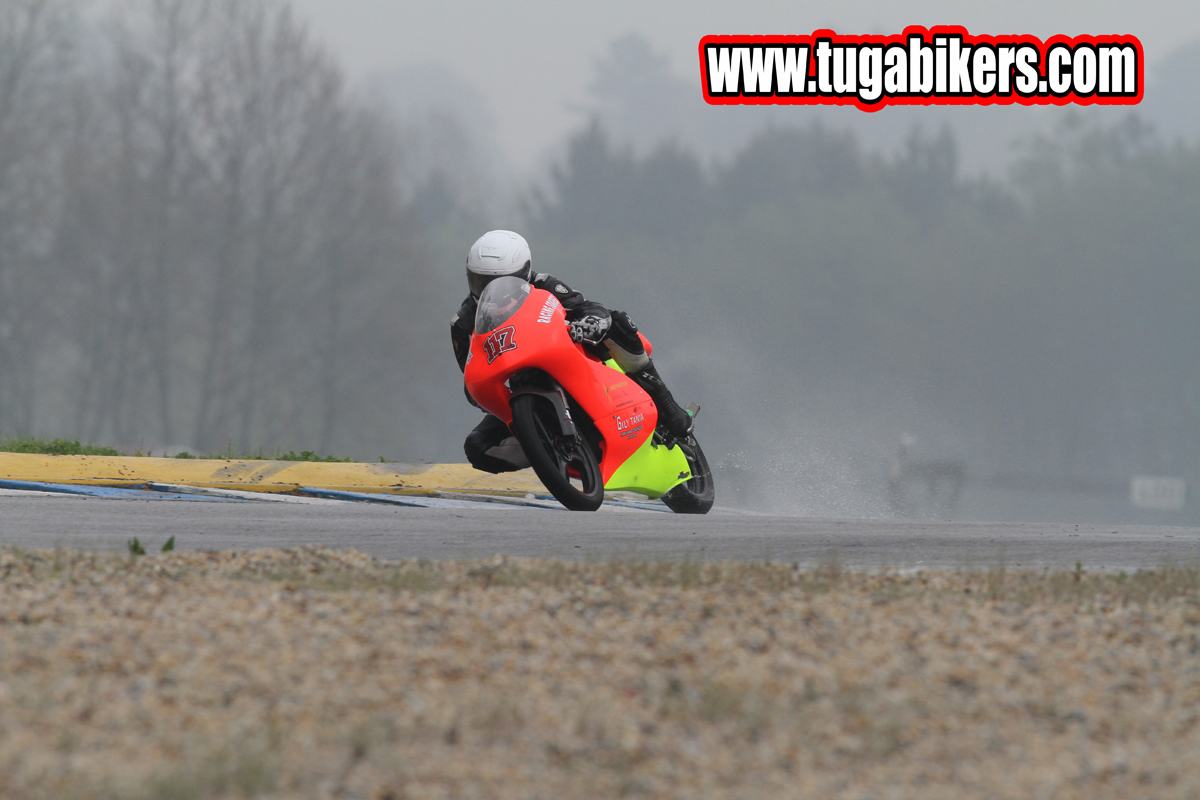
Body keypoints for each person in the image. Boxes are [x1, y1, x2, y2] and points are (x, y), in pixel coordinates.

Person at [452, 229, 694, 474]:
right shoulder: (462, 323)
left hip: (565, 356)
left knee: (618, 322)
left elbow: (587, 307)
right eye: (480, 281)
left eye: (500, 282)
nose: (489, 291)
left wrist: (591, 323)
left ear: (523, 273)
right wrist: (480, 389)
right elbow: (471, 371)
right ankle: (549, 452)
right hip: (517, 389)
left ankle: (667, 405)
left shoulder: (544, 284)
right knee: (477, 447)